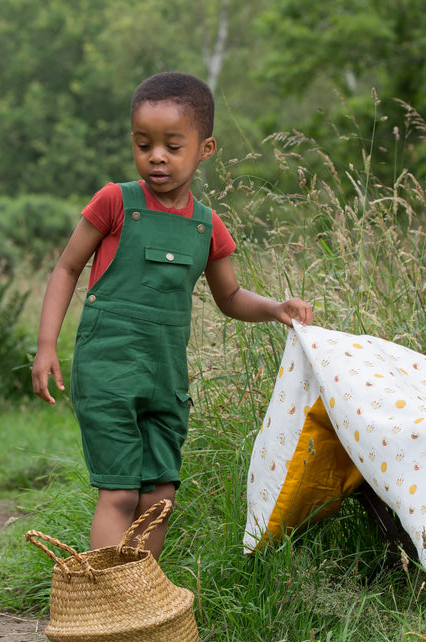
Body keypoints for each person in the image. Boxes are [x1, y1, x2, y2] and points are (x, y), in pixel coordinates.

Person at [31, 71, 313, 559]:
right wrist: (47, 345)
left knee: (159, 497)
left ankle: (141, 600)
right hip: (109, 371)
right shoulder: (116, 202)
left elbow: (230, 297)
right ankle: (106, 603)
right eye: (144, 144)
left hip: (165, 379)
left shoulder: (207, 225)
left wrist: (275, 309)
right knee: (120, 492)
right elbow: (67, 268)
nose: (155, 156)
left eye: (172, 145)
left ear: (205, 149)